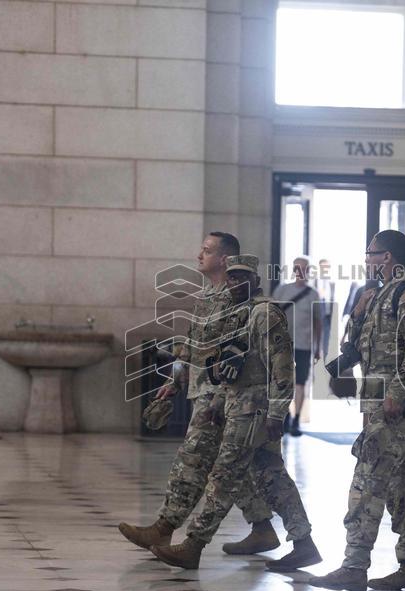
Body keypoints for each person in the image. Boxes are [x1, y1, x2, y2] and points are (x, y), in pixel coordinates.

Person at [151, 255, 321, 571]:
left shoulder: (264, 314)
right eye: (231, 278)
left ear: (255, 281)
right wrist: (216, 404)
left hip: (254, 412)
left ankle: (193, 545)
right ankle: (304, 544)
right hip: (236, 407)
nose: (236, 283)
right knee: (272, 477)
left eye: (243, 278)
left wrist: (276, 414)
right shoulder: (234, 315)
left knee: (223, 477)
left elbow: (283, 368)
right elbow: (229, 370)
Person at [118, 233, 280, 558]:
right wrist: (175, 381)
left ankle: (164, 528)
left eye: (206, 251)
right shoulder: (207, 296)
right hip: (202, 393)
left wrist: (220, 399)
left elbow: (237, 357)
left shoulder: (236, 300)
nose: (198, 256)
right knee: (234, 470)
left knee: (192, 461)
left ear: (224, 259)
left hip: (219, 398)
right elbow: (191, 345)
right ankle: (263, 528)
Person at [308, 230, 405, 591]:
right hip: (379, 400)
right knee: (403, 483)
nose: (366, 259)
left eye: (371, 253)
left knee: (368, 475)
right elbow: (358, 346)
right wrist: (359, 312)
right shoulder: (378, 294)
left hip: (400, 403)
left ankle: (354, 565)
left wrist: (396, 392)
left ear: (389, 257)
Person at [273, 256, 322, 436]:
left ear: (308, 271)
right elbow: (272, 317)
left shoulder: (313, 295)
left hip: (304, 345)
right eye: (297, 268)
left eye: (304, 268)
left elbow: (318, 322)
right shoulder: (282, 291)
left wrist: (318, 347)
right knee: (282, 382)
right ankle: (283, 416)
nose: (300, 271)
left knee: (300, 383)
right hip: (282, 345)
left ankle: (296, 419)